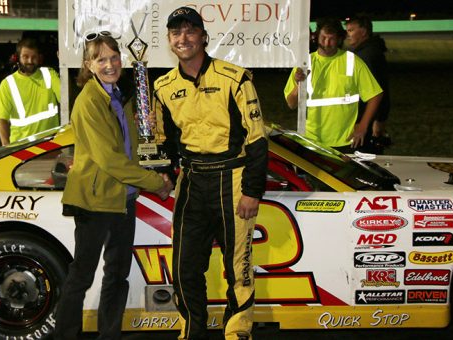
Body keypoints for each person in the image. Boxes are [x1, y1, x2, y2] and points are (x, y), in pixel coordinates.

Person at [153, 7, 268, 339]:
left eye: (190, 31)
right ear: (170, 41)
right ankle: (191, 331)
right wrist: (163, 172)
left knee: (238, 268)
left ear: (203, 36)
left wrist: (252, 190)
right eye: (176, 33)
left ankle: (237, 333)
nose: (183, 39)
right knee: (184, 267)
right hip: (191, 181)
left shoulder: (235, 77)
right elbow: (162, 141)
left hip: (232, 179)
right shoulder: (162, 86)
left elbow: (258, 139)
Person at [54, 32, 172, 340]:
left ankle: (110, 334)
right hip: (95, 202)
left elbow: (131, 148)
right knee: (81, 276)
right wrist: (154, 182)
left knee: (117, 276)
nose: (110, 64)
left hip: (124, 198)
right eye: (101, 59)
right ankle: (65, 335)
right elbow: (110, 159)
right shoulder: (89, 102)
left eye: (114, 57)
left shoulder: (119, 95)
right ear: (88, 64)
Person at [284, 17, 383, 153]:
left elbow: (375, 95)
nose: (327, 43)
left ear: (339, 39)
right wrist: (298, 85)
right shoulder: (305, 63)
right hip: (312, 141)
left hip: (346, 141)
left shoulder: (352, 61)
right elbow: (291, 104)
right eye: (323, 37)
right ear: (317, 36)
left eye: (332, 39)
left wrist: (363, 126)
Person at [0, 37, 60, 146]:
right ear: (18, 58)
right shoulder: (7, 84)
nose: (30, 61)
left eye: (34, 57)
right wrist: (6, 147)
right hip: (23, 150)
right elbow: (2, 120)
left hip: (50, 146)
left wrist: (63, 65)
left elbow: (66, 98)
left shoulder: (49, 74)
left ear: (39, 58)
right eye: (25, 57)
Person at [345, 15, 391, 154]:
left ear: (364, 32)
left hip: (364, 121)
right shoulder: (370, 51)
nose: (348, 35)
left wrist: (375, 120)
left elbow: (377, 90)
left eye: (351, 30)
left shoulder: (366, 55)